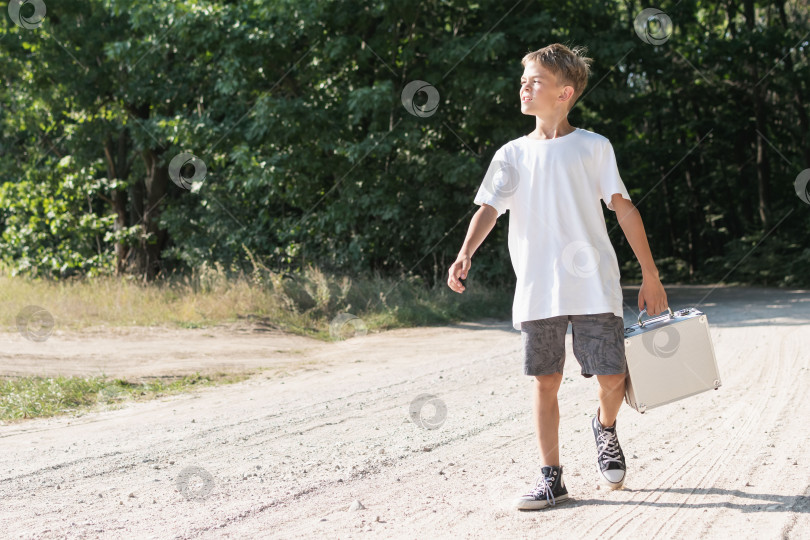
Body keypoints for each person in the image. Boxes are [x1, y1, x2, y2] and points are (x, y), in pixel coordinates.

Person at [446, 43, 668, 511]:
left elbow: (623, 209)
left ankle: (604, 428)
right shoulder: (511, 154)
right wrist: (465, 251)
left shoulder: (593, 147)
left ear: (565, 93)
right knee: (545, 380)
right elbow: (489, 208)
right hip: (537, 287)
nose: (524, 86)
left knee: (612, 375)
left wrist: (650, 274)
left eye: (535, 80)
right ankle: (552, 478)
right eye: (523, 80)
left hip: (593, 284)